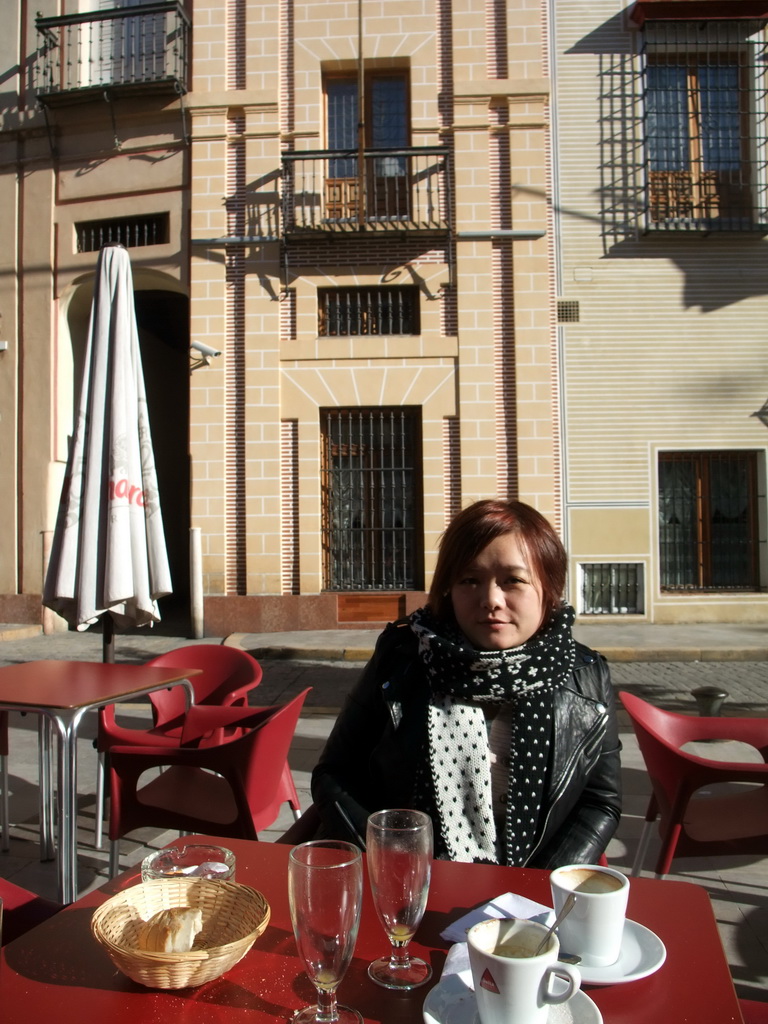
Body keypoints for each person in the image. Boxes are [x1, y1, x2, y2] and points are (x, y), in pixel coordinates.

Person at [311, 499, 621, 868]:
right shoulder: (402, 659)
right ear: (448, 589)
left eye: (514, 581)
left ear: (549, 588)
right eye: (470, 580)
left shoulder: (586, 676)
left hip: (533, 901)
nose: (490, 600)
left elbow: (600, 800)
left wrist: (539, 887)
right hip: (410, 884)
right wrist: (392, 858)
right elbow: (335, 774)